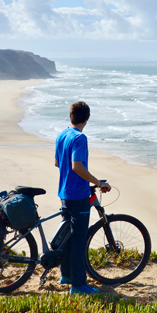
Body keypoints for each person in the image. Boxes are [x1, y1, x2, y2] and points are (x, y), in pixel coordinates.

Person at [54, 101, 111, 295]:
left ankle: (66, 275)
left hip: (64, 193)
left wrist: (84, 180)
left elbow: (57, 163)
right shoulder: (80, 138)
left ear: (70, 116)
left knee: (67, 238)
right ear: (87, 119)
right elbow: (77, 166)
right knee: (79, 240)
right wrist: (97, 182)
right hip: (78, 196)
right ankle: (78, 286)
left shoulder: (62, 135)